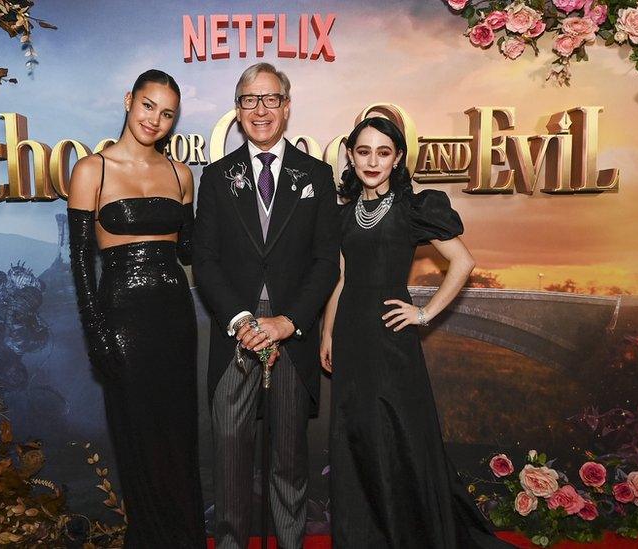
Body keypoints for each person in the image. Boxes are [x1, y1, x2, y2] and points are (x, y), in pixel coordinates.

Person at [320, 117, 514, 548]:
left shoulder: (413, 207)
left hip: (391, 339)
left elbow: (462, 262)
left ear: (398, 158)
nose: (373, 161)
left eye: (383, 152)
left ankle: (406, 534)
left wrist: (424, 314)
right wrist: (327, 332)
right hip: (351, 336)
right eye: (364, 151)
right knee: (358, 437)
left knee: (399, 435)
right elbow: (343, 278)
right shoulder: (345, 214)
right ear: (350, 156)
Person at [193, 62, 340, 549]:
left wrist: (288, 322)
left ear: (287, 106)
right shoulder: (215, 179)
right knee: (231, 465)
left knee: (289, 464)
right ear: (238, 111)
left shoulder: (317, 175)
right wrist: (240, 320)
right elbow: (205, 261)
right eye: (250, 100)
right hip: (235, 338)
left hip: (291, 342)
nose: (261, 110)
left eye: (270, 98)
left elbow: (325, 263)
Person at [66, 69, 204, 548]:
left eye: (167, 114)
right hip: (121, 319)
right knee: (139, 442)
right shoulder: (92, 170)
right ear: (129, 100)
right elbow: (81, 263)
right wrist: (97, 335)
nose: (155, 120)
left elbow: (190, 252)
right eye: (148, 106)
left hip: (175, 318)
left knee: (178, 439)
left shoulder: (181, 174)